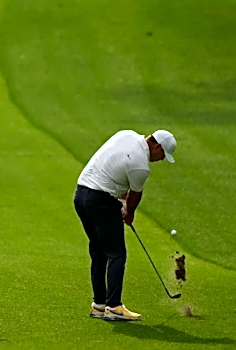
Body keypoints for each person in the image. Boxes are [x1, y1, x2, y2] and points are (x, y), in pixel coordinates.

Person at [74, 129, 177, 322]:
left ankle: (99, 304)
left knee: (98, 250)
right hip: (100, 200)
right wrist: (129, 213)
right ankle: (114, 307)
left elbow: (119, 174)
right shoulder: (141, 166)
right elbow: (134, 194)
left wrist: (122, 205)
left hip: (81, 195)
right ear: (157, 146)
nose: (162, 159)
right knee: (116, 253)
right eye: (163, 154)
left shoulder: (127, 134)